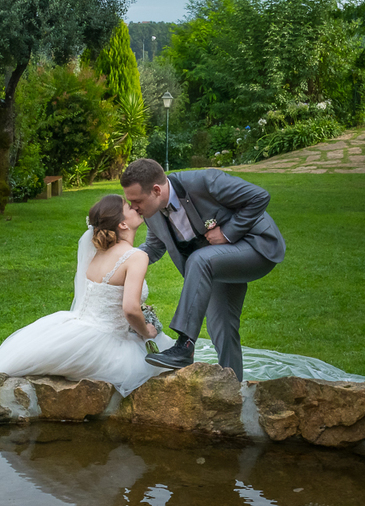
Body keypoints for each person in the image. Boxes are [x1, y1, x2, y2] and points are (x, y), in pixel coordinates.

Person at [0, 194, 173, 396]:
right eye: (129, 207)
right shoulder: (136, 257)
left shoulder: (99, 252)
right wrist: (146, 332)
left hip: (79, 326)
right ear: (122, 224)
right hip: (106, 341)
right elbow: (130, 309)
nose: (135, 207)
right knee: (160, 361)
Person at [120, 158, 285, 380]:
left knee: (198, 259)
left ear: (156, 190)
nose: (133, 207)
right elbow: (153, 248)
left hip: (256, 246)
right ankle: (232, 387)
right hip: (213, 264)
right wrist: (118, 262)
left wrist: (227, 232)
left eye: (136, 200)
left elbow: (259, 196)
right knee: (221, 327)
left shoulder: (206, 181)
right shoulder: (153, 212)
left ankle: (185, 346)